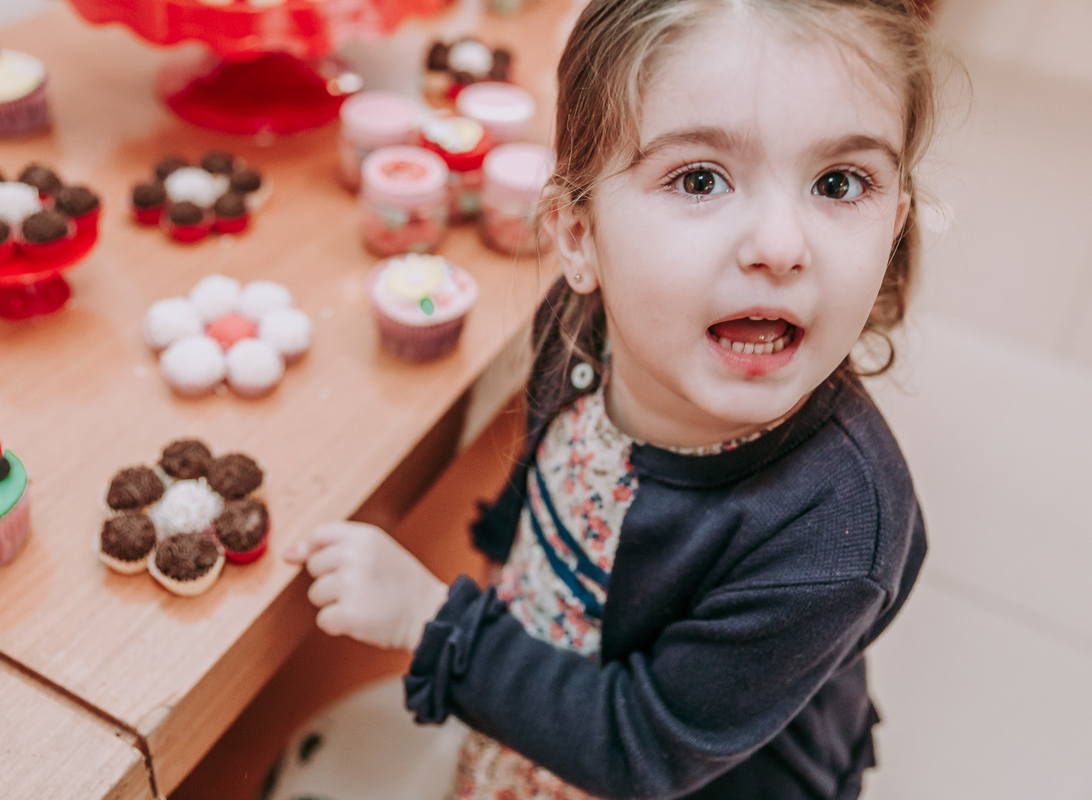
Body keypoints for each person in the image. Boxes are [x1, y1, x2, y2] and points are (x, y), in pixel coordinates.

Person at [285, 0, 935, 796]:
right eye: (701, 178)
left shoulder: (836, 530)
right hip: (542, 716)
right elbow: (542, 477)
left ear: (894, 222)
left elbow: (643, 749)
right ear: (579, 235)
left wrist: (437, 626)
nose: (780, 246)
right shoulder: (581, 320)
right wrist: (495, 576)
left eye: (840, 182)